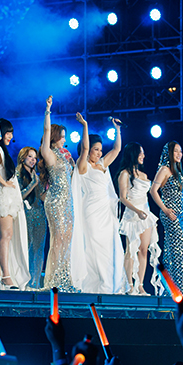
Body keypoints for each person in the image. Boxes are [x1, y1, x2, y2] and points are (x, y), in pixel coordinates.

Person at [70, 114, 125, 294]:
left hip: (106, 212)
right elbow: (85, 147)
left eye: (100, 150)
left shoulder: (102, 165)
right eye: (96, 149)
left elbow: (117, 149)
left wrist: (117, 130)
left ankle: (106, 285)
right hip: (91, 212)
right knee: (94, 247)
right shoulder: (82, 165)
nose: (99, 153)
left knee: (107, 248)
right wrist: (85, 125)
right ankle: (92, 286)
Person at [39, 96, 79, 292]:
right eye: (62, 136)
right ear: (54, 137)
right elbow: (46, 131)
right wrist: (48, 110)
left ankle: (64, 278)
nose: (65, 139)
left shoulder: (65, 156)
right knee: (58, 238)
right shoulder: (49, 154)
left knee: (67, 239)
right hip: (55, 201)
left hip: (68, 201)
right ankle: (52, 280)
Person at [0, 118, 30, 289]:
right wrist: (4, 183)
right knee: (5, 236)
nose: (10, 136)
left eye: (11, 133)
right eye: (8, 133)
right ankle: (6, 276)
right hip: (2, 196)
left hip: (0, 196)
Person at [117, 142, 162, 295]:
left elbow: (146, 197)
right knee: (131, 250)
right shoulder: (124, 174)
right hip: (132, 215)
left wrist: (149, 217)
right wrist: (137, 211)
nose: (143, 156)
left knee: (144, 250)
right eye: (140, 153)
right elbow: (123, 198)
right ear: (133, 154)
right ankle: (129, 285)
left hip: (145, 214)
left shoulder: (143, 175)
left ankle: (140, 285)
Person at [150, 140, 183, 294]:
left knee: (175, 253)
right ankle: (175, 291)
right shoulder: (164, 169)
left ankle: (173, 290)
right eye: (176, 151)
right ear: (169, 153)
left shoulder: (176, 170)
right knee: (180, 254)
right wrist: (165, 210)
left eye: (180, 151)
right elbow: (153, 190)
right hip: (171, 216)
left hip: (180, 217)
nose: (179, 154)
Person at [17, 146, 47, 288]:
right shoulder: (17, 174)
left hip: (39, 214)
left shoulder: (37, 175)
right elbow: (19, 196)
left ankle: (35, 283)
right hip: (25, 214)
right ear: (23, 157)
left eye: (35, 158)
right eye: (30, 156)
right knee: (26, 247)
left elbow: (41, 196)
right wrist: (32, 184)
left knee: (38, 248)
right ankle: (24, 281)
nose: (33, 160)